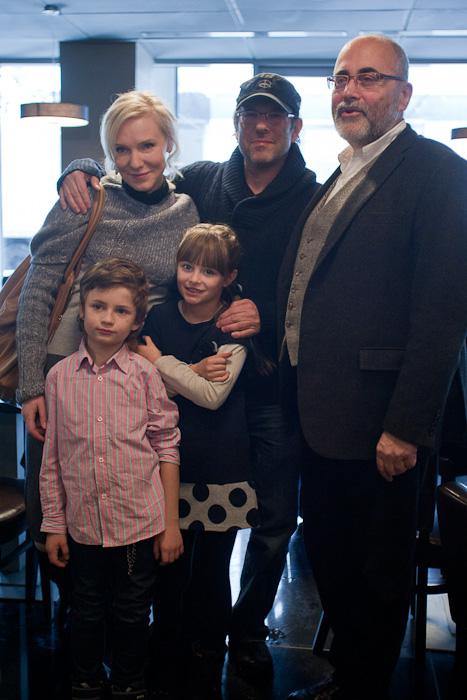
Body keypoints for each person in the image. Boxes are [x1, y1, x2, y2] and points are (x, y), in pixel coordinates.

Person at [57, 73, 320, 678]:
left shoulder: (314, 195)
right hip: (188, 386)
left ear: (295, 127)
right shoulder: (202, 181)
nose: (260, 126)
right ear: (236, 122)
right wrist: (80, 166)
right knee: (176, 518)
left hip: (266, 382)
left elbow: (322, 286)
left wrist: (264, 312)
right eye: (250, 114)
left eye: (274, 117)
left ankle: (245, 629)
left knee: (274, 520)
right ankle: (172, 629)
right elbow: (136, 171)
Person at [278, 35, 467, 700]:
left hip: (381, 423)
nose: (348, 92)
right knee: (330, 555)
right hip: (319, 412)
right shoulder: (342, 170)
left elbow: (442, 311)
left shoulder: (437, 172)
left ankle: (362, 688)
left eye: (367, 78)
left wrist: (406, 427)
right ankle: (347, 676)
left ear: (403, 94)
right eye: (339, 79)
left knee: (377, 573)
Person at [15, 89, 199, 596]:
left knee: (123, 492)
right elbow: (38, 291)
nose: (135, 161)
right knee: (55, 496)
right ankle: (71, 616)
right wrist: (31, 386)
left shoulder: (186, 211)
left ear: (169, 145)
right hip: (65, 366)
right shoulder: (87, 200)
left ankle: (125, 617)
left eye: (147, 146)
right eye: (121, 149)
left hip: (136, 369)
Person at [40, 258, 182, 700]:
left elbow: (167, 447)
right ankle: (84, 680)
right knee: (85, 608)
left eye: (121, 311)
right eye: (98, 306)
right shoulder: (58, 378)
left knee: (132, 610)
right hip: (82, 526)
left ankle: (129, 682)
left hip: (138, 524)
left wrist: (171, 524)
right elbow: (52, 459)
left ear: (136, 321)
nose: (107, 318)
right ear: (81, 309)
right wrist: (54, 524)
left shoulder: (146, 375)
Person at [138, 223, 259, 699]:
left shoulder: (233, 326)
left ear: (228, 278)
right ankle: (166, 648)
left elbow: (212, 396)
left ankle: (209, 652)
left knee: (211, 572)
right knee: (168, 570)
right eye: (187, 266)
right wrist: (188, 372)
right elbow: (140, 387)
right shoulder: (158, 317)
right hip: (164, 466)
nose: (194, 278)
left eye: (208, 272)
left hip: (219, 467)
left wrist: (162, 365)